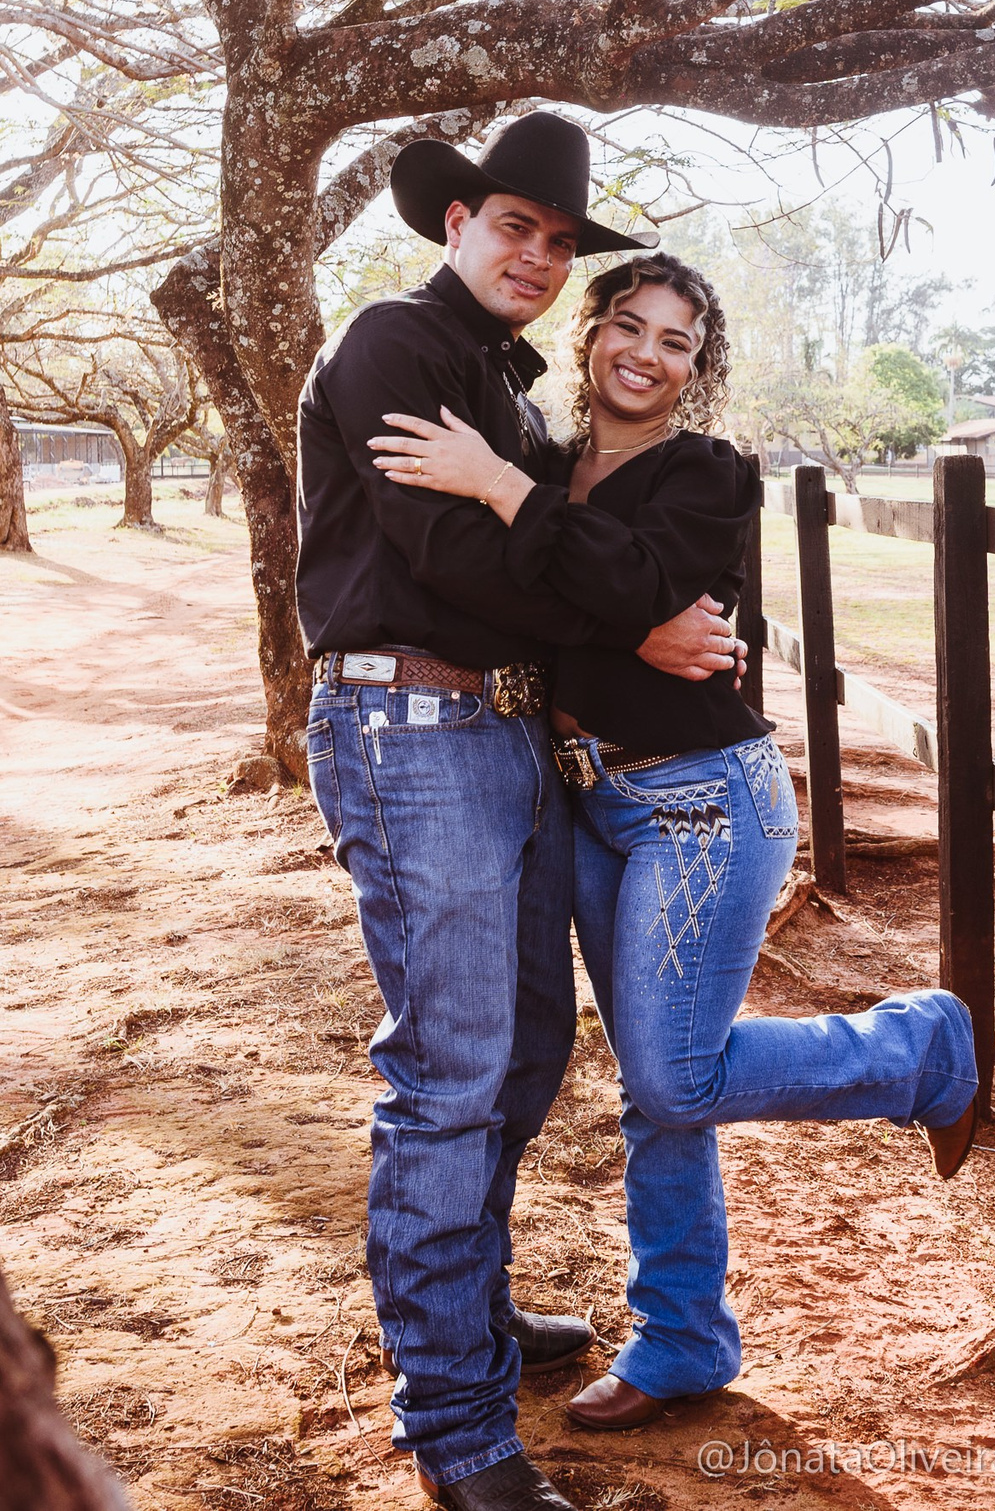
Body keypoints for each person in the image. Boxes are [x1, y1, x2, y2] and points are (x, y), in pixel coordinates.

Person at [367, 250, 984, 1436]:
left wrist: (510, 496)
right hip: (590, 799)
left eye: (679, 342)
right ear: (592, 330)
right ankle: (685, 1333)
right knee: (664, 1095)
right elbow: (551, 601)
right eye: (630, 326)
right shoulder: (552, 464)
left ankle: (918, 1048)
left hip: (703, 798)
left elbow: (639, 574)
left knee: (671, 1072)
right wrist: (622, 621)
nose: (647, 355)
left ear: (699, 370)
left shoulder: (706, 471)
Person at [296, 112, 747, 1511]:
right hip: (411, 719)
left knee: (531, 1050)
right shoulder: (393, 347)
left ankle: (469, 1316)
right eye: (514, 227)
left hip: (504, 732)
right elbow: (458, 559)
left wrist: (593, 586)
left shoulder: (507, 391)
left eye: (558, 241)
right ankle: (458, 1423)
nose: (536, 257)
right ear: (455, 225)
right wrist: (633, 621)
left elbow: (532, 554)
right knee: (450, 1072)